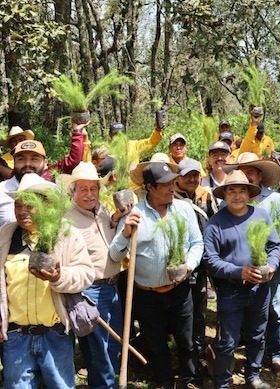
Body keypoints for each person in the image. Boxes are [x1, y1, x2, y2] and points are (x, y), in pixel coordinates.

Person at [109, 162, 204, 388]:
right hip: (146, 294)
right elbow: (114, 254)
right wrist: (125, 233)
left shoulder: (183, 209)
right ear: (150, 187)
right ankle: (164, 381)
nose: (172, 187)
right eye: (166, 184)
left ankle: (191, 379)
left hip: (179, 290)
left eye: (173, 182)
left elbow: (197, 243)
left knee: (187, 339)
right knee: (156, 342)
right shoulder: (134, 215)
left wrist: (189, 266)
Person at [0, 173, 93, 388]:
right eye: (18, 205)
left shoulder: (66, 235)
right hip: (16, 336)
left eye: (29, 205)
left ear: (47, 205)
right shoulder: (6, 236)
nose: (22, 211)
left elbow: (85, 274)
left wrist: (60, 277)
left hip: (55, 334)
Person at [203, 170, 280, 389]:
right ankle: (222, 382)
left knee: (257, 334)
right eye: (232, 191)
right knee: (228, 341)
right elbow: (210, 260)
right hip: (231, 289)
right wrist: (239, 271)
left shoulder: (261, 216)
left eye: (242, 191)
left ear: (249, 194)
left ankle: (253, 376)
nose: (237, 196)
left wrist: (272, 265)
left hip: (260, 288)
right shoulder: (215, 223)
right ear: (224, 194)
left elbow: (274, 245)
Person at [65, 162, 127, 389]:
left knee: (113, 344)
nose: (90, 194)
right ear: (73, 191)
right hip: (89, 290)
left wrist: (116, 218)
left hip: (113, 287)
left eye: (94, 189)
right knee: (98, 350)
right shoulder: (67, 219)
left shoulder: (101, 210)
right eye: (84, 189)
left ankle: (101, 385)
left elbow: (107, 232)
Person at [234, 153, 280, 374]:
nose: (246, 176)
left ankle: (277, 352)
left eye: (251, 171)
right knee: (244, 309)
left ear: (260, 175)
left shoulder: (275, 200)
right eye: (243, 171)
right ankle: (251, 352)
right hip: (241, 267)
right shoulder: (231, 199)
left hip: (270, 265)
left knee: (274, 309)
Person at [174, 157, 217, 376]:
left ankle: (198, 350)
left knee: (199, 310)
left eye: (195, 175)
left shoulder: (205, 197)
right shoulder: (171, 199)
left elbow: (214, 224)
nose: (191, 179)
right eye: (187, 175)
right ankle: (183, 352)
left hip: (201, 265)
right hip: (178, 266)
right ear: (178, 178)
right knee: (181, 312)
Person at [0, 137, 86, 225]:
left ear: (45, 163)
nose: (28, 164)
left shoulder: (53, 192)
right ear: (14, 162)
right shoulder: (1, 190)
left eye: (34, 159)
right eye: (21, 159)